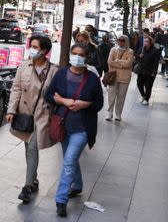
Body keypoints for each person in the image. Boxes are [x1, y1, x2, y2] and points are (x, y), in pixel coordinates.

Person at [44, 43, 104, 218]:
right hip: (63, 125)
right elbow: (48, 95)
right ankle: (77, 186)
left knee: (69, 160)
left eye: (81, 54)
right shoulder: (61, 74)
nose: (77, 57)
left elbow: (99, 104)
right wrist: (63, 101)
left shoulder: (92, 79)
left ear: (86, 58)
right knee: (70, 159)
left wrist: (86, 104)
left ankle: (61, 200)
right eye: (74, 53)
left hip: (83, 128)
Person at [6, 35, 59, 204]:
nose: (32, 49)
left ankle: (27, 186)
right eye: (31, 46)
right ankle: (34, 179)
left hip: (43, 116)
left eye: (35, 47)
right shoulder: (24, 66)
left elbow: (57, 94)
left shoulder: (53, 70)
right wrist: (11, 110)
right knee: (28, 148)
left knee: (32, 149)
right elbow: (16, 89)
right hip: (25, 114)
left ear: (44, 51)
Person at [105, 34, 134, 122]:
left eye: (122, 40)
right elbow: (109, 62)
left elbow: (128, 64)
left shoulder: (130, 51)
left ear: (126, 42)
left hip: (124, 78)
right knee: (111, 96)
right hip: (113, 77)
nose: (120, 42)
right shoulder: (113, 49)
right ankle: (109, 113)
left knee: (121, 97)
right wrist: (122, 64)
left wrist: (117, 61)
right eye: (119, 40)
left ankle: (118, 114)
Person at [136, 35, 162, 104]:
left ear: (150, 42)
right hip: (141, 70)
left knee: (148, 86)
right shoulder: (142, 49)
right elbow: (136, 57)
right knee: (139, 84)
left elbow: (156, 63)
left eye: (147, 41)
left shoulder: (155, 51)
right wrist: (139, 56)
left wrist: (154, 72)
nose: (145, 43)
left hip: (150, 71)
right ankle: (143, 95)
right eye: (144, 41)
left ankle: (147, 99)